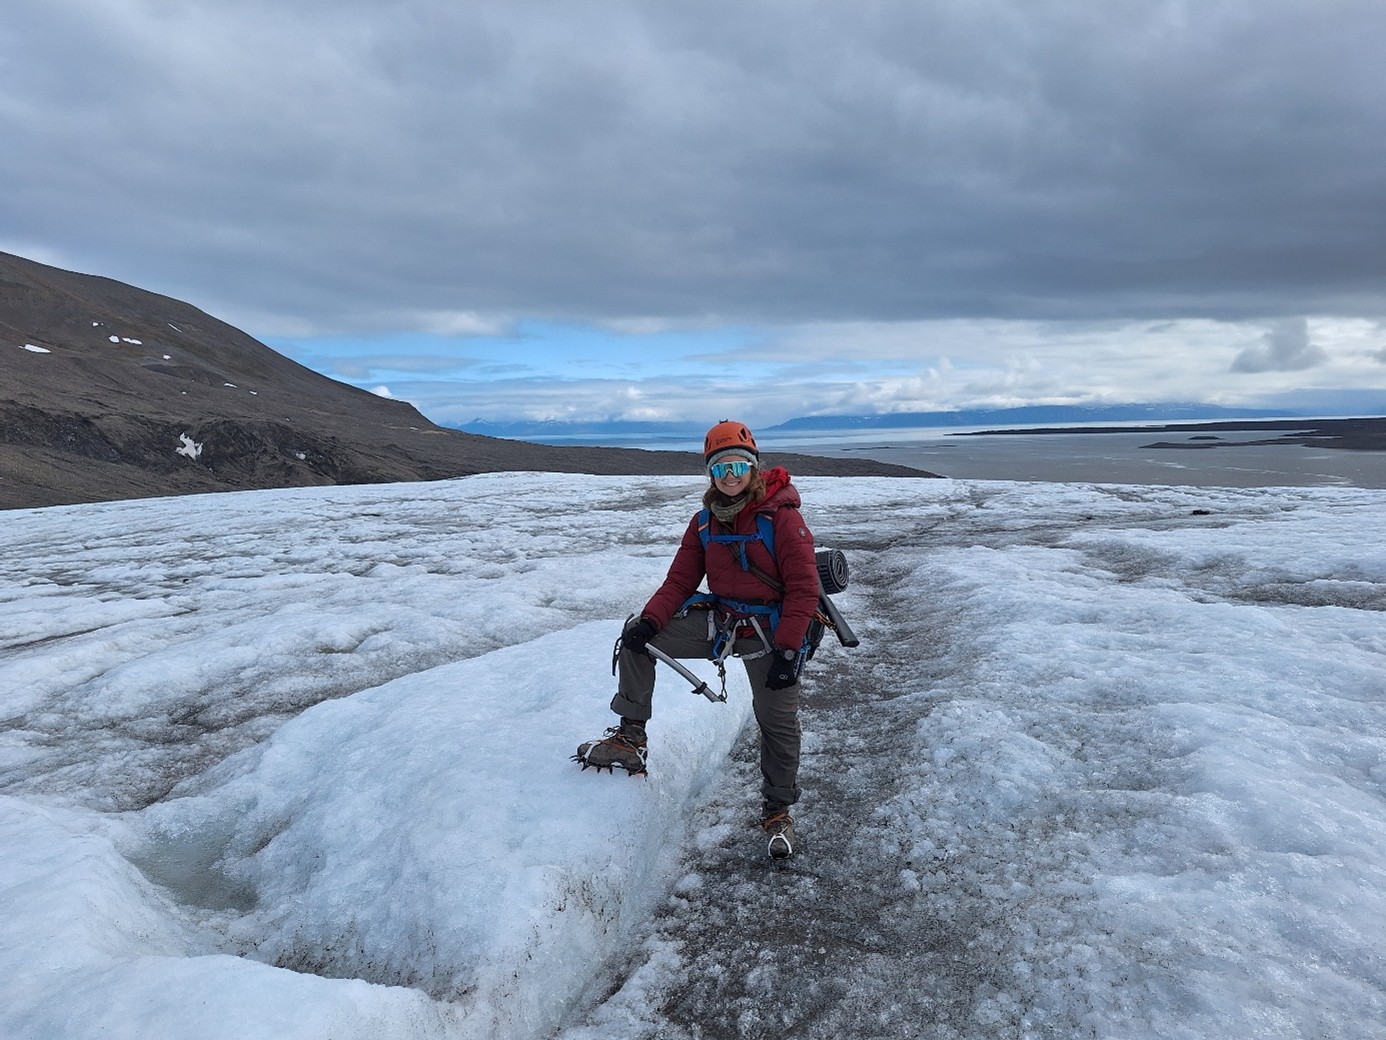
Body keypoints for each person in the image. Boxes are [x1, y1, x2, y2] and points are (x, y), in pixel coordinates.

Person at [576, 420, 821, 858]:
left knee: (777, 721)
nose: (730, 476)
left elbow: (803, 590)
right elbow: (679, 581)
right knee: (635, 638)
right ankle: (631, 738)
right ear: (710, 474)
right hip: (724, 624)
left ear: (753, 467)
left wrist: (788, 651)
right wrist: (650, 622)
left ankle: (777, 810)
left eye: (738, 466)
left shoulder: (782, 519)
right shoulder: (705, 523)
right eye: (720, 468)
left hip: (773, 634)